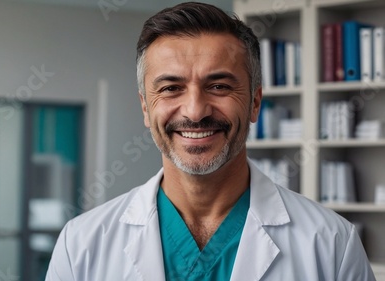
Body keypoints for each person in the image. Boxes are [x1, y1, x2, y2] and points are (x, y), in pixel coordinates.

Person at [45, 2, 376, 280]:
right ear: (146, 107)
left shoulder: (331, 244)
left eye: (219, 86)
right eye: (171, 88)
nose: (195, 111)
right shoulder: (81, 245)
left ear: (255, 103)